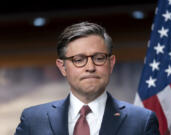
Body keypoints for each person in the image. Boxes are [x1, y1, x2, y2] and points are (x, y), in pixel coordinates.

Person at [14, 21, 160, 135]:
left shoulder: (142, 121)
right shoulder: (33, 120)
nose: (90, 67)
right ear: (62, 67)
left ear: (111, 63)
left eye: (99, 58)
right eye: (78, 60)